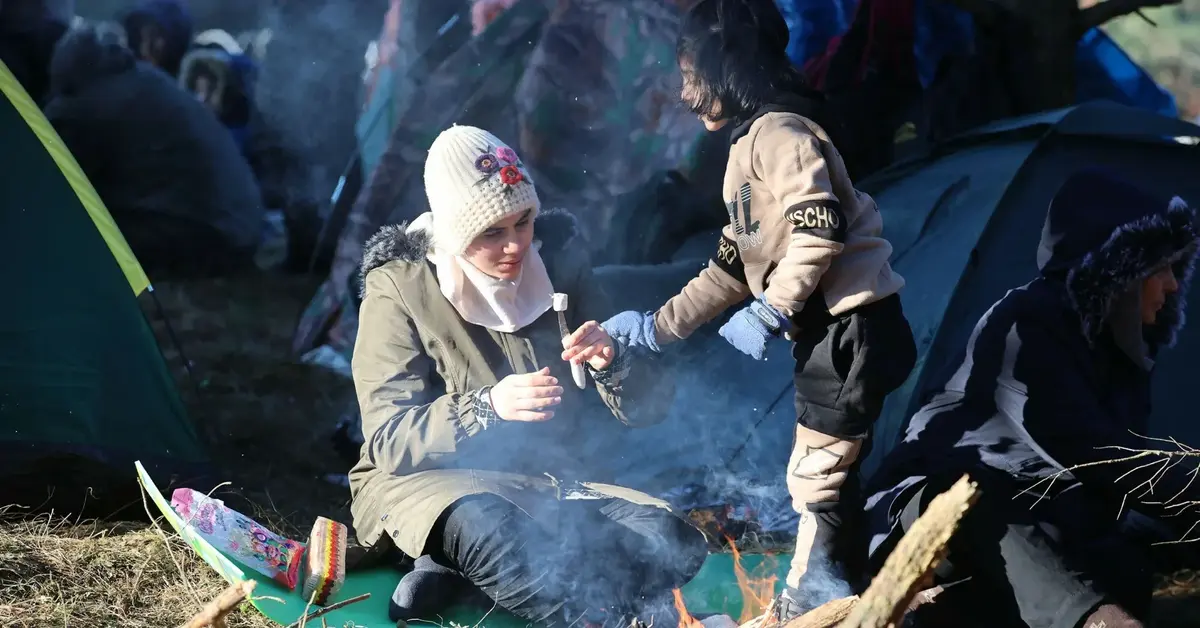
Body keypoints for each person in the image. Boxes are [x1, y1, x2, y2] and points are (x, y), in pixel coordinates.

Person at [601, 0, 917, 620]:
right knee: (827, 475)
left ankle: (814, 598)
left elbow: (818, 230)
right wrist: (655, 330)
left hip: (851, 326)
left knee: (817, 477)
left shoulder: (783, 134)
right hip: (828, 333)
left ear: (728, 66)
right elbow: (728, 269)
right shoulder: (750, 144)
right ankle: (842, 588)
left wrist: (773, 308)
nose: (686, 92)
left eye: (692, 73)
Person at [348, 125, 707, 627]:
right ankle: (615, 621)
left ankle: (464, 581)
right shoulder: (401, 287)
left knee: (674, 541)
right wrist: (485, 407)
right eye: (492, 232)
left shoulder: (558, 262)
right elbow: (388, 440)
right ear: (454, 232)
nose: (516, 245)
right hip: (432, 485)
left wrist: (615, 364)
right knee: (489, 531)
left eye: (523, 222)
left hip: (541, 481)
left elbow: (650, 408)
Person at [862, 170, 1200, 628]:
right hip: (935, 509)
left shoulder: (1122, 355)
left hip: (1041, 506)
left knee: (1127, 551)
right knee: (980, 498)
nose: (1173, 285)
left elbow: (1116, 477)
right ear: (1120, 268)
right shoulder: (1027, 321)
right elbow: (1094, 452)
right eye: (1160, 268)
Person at [43, 25, 264, 277]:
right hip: (240, 232)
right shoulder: (146, 80)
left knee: (76, 237)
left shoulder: (88, 106)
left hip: (211, 236)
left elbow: (57, 192)